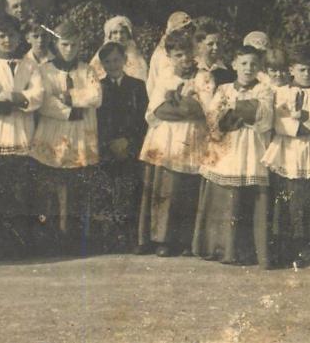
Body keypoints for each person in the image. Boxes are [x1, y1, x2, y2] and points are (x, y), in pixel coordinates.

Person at [192, 45, 274, 268]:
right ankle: (220, 248)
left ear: (260, 67)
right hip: (227, 148)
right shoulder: (224, 88)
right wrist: (234, 114)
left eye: (254, 64)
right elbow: (213, 115)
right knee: (224, 194)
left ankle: (245, 251)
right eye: (244, 63)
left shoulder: (264, 90)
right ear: (235, 65)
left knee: (248, 195)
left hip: (251, 148)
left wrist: (234, 109)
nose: (249, 68)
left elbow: (264, 116)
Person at [0, 14, 43, 259]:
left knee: (20, 190)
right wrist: (0, 101)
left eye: (11, 35)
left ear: (19, 37)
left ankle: (19, 246)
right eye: (1, 36)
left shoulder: (30, 65)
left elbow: (38, 92)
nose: (7, 40)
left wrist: (18, 98)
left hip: (21, 132)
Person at [31, 21, 102, 255]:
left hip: (81, 134)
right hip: (54, 133)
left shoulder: (87, 70)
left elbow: (95, 97)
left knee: (76, 189)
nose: (69, 49)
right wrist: (71, 111)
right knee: (50, 187)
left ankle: (72, 239)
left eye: (74, 45)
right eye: (64, 44)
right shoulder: (45, 70)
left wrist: (69, 97)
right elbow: (45, 102)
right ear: (56, 44)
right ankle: (48, 238)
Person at [261, 45, 310, 268]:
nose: (307, 74)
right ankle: (285, 245)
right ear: (291, 69)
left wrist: (304, 116)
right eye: (302, 69)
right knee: (288, 198)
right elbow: (280, 122)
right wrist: (303, 127)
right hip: (289, 152)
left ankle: (307, 246)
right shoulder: (282, 93)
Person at [136, 32, 207, 257]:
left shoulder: (204, 77)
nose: (184, 58)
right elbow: (157, 110)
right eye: (178, 54)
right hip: (166, 138)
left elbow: (204, 110)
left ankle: (185, 240)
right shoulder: (165, 76)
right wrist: (186, 107)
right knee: (165, 189)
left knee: (187, 189)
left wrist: (184, 107)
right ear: (169, 56)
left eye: (187, 53)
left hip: (191, 138)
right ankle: (162, 239)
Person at [95, 42, 148, 252]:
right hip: (107, 147)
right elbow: (98, 120)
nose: (112, 65)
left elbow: (141, 119)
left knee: (129, 191)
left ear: (125, 60)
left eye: (116, 60)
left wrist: (128, 141)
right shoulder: (98, 87)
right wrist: (109, 142)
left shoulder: (137, 86)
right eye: (107, 62)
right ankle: (109, 240)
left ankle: (130, 239)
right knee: (108, 192)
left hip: (130, 146)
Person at [90, 15, 149, 82]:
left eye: (122, 32)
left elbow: (141, 79)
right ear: (110, 36)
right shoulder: (100, 56)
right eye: (115, 32)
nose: (119, 36)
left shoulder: (135, 57)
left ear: (127, 34)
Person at [147, 11, 193, 95]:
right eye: (183, 29)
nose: (186, 33)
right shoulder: (160, 54)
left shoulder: (192, 49)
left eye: (189, 29)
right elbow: (153, 83)